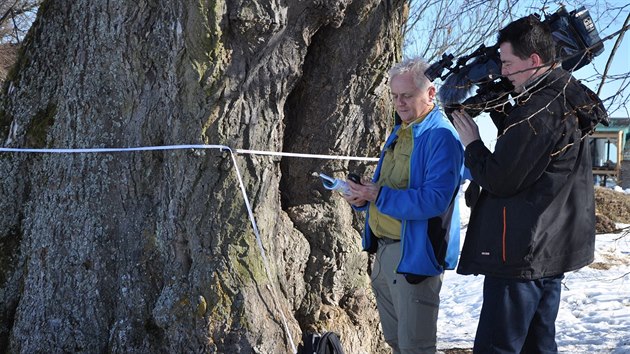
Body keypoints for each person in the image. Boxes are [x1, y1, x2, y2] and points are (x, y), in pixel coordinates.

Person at [451, 15, 602, 353]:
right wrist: (501, 113)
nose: (502, 72)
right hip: (548, 247)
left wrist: (472, 144)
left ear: (534, 61)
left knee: (499, 346)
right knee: (537, 345)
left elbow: (501, 178)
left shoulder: (539, 110)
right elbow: (535, 161)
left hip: (521, 250)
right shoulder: (564, 95)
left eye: (507, 63)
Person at [344, 57, 464, 354]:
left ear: (431, 93)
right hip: (384, 252)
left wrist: (378, 196)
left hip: (414, 256)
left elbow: (434, 200)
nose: (399, 103)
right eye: (394, 96)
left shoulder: (441, 137)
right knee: (397, 343)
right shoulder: (402, 130)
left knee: (416, 348)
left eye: (407, 96)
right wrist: (363, 197)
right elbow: (387, 186)